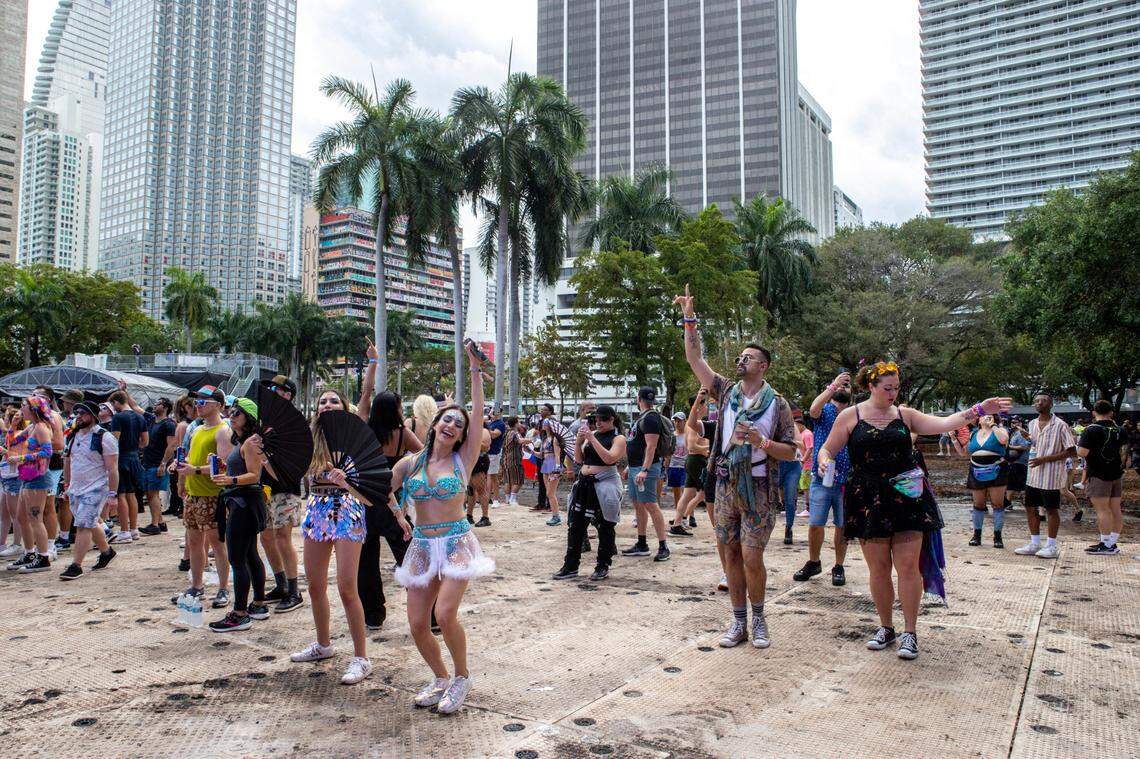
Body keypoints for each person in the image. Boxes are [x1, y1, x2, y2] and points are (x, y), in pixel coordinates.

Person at [818, 361, 1010, 660]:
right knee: (878, 569)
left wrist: (979, 410)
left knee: (908, 568)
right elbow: (828, 447)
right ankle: (885, 627)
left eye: (896, 388)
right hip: (867, 499)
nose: (893, 393)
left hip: (906, 497)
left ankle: (910, 632)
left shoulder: (906, 416)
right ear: (870, 386)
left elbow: (945, 422)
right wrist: (823, 458)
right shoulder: (849, 416)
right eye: (887, 388)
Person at [675, 286, 797, 648]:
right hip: (726, 483)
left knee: (751, 554)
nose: (741, 360)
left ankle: (759, 619)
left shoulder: (778, 404)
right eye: (740, 356)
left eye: (749, 357)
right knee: (728, 552)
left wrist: (762, 443)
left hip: (759, 487)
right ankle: (738, 622)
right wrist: (689, 318)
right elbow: (695, 360)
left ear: (763, 366)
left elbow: (791, 452)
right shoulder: (725, 391)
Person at [388, 343, 495, 714]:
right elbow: (380, 490)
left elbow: (478, 413)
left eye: (459, 424)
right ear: (434, 424)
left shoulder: (464, 460)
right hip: (420, 544)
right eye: (447, 419)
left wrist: (475, 371)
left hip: (455, 541)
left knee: (444, 614)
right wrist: (399, 515)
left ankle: (462, 677)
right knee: (417, 623)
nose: (452, 425)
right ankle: (440, 677)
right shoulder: (410, 464)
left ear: (464, 435)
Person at [289, 388, 385, 684]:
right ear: (317, 409)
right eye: (322, 401)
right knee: (315, 585)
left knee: (346, 587)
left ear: (344, 408)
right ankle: (323, 645)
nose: (327, 404)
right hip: (317, 510)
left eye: (334, 400)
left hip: (347, 510)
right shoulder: (307, 441)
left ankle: (361, 658)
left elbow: (366, 492)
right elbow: (288, 471)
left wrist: (371, 365)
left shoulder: (354, 439)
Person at [360, 384, 423, 630]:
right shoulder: (402, 433)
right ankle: (428, 613)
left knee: (366, 563)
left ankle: (373, 615)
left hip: (364, 502)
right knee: (409, 557)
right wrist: (404, 467)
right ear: (395, 410)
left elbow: (365, 396)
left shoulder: (365, 430)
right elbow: (423, 454)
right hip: (391, 503)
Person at [207, 398, 272, 631]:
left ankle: (240, 613)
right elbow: (244, 469)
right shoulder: (243, 441)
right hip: (242, 501)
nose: (231, 415)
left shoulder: (252, 442)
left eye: (238, 412)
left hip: (244, 502)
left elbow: (255, 475)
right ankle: (258, 604)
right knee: (250, 554)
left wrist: (230, 479)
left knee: (237, 558)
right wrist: (227, 470)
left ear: (249, 418)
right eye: (231, 411)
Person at [170, 386, 232, 609]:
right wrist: (181, 477)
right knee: (194, 542)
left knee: (217, 544)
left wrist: (194, 470)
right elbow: (188, 458)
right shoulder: (196, 430)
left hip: (212, 494)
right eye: (197, 401)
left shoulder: (223, 430)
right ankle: (197, 586)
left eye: (204, 401)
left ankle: (224, 588)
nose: (198, 405)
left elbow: (222, 467)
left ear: (217, 405)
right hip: (194, 493)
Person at [553, 405, 626, 581]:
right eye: (596, 420)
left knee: (605, 525)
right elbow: (578, 460)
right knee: (576, 526)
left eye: (602, 419)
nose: (598, 423)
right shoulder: (592, 436)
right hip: (585, 484)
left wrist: (592, 439)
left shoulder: (618, 438)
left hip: (605, 482)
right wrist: (579, 442)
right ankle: (570, 566)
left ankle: (603, 565)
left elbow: (610, 458)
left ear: (612, 420)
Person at [796, 371, 853, 586]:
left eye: (847, 385)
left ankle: (838, 566)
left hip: (846, 480)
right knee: (815, 523)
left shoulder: (855, 414)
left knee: (842, 525)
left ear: (852, 394)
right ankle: (814, 562)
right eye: (840, 384)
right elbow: (812, 409)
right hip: (821, 478)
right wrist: (833, 386)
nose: (842, 387)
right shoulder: (826, 410)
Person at [258, 376, 306, 614]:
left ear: (287, 394)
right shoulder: (266, 419)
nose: (270, 392)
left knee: (282, 538)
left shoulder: (292, 422)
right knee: (266, 537)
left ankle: (294, 590)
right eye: (269, 388)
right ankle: (281, 584)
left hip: (285, 487)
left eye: (275, 389)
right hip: (265, 487)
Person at [58, 401, 118, 579]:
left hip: (96, 488)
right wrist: (67, 486)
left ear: (92, 415)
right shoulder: (73, 436)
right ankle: (107, 552)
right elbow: (68, 462)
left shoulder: (104, 437)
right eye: (77, 413)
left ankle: (76, 565)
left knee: (83, 525)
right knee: (90, 523)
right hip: (76, 489)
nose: (78, 416)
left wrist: (113, 494)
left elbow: (112, 468)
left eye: (82, 413)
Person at [1013, 394, 1076, 560]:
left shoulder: (1061, 425)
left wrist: (1045, 459)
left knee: (1051, 509)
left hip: (1051, 475)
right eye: (1037, 401)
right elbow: (1036, 444)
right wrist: (1030, 439)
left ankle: (1051, 545)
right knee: (1030, 507)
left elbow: (1071, 451)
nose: (1039, 403)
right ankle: (1035, 543)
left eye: (1044, 400)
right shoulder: (1032, 423)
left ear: (1051, 404)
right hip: (1033, 474)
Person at [5, 395, 56, 573]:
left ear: (33, 409)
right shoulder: (32, 427)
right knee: (21, 518)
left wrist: (20, 457)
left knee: (35, 519)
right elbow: (12, 442)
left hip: (38, 478)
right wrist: (12, 425)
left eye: (24, 406)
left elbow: (47, 452)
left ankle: (43, 557)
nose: (21, 409)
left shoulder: (41, 427)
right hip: (27, 477)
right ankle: (29, 553)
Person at [620, 387, 671, 562]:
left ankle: (663, 546)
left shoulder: (650, 418)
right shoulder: (644, 417)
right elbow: (638, 445)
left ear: (638, 398)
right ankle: (642, 544)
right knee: (638, 505)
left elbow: (651, 447)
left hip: (645, 469)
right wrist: (630, 467)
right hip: (637, 468)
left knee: (650, 504)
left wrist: (644, 469)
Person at [1078, 400, 1127, 555]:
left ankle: (1105, 544)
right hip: (1116, 474)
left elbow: (1082, 453)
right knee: (1115, 509)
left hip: (1098, 474)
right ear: (1111, 412)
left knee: (1102, 510)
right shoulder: (1120, 430)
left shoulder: (1091, 430)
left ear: (1094, 413)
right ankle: (1112, 542)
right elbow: (1125, 452)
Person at [107, 390, 148, 544]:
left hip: (121, 458)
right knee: (132, 494)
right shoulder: (140, 417)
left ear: (117, 402)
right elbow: (145, 442)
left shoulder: (118, 417)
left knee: (122, 494)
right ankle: (134, 529)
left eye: (113, 404)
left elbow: (114, 441)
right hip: (135, 458)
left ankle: (124, 531)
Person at [963, 414, 1010, 548]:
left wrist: (994, 426)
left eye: (990, 416)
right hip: (976, 470)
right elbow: (964, 452)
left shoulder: (1000, 430)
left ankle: (998, 536)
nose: (986, 418)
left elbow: (1003, 440)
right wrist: (955, 439)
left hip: (997, 470)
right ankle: (976, 536)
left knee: (998, 504)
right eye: (983, 415)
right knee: (978, 504)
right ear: (978, 419)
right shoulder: (973, 434)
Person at [139, 398, 176, 536]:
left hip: (158, 463)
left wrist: (163, 463)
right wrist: (124, 391)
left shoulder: (169, 424)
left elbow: (171, 445)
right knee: (150, 494)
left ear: (166, 408)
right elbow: (136, 408)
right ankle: (160, 523)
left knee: (153, 494)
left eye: (159, 403)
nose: (155, 405)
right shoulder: (151, 420)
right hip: (148, 462)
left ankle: (154, 525)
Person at [0, 407, 27, 559]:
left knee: (15, 513)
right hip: (6, 476)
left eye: (6, 418)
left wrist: (4, 452)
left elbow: (20, 456)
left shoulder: (20, 435)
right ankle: (2, 544)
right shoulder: (11, 434)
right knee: (4, 512)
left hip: (14, 476)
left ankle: (17, 544)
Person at [777, 409, 805, 546]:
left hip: (793, 465)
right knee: (767, 497)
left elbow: (802, 445)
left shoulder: (793, 426)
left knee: (790, 497)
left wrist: (789, 441)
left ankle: (789, 528)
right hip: (776, 464)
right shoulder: (772, 423)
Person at [467, 423, 493, 526]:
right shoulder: (471, 431)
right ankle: (469, 515)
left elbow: (485, 447)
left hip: (479, 460)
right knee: (470, 490)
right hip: (471, 461)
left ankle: (485, 517)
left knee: (481, 489)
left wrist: (468, 440)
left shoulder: (484, 431)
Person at [538, 419, 564, 526]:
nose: (544, 424)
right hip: (546, 465)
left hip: (553, 465)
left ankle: (556, 516)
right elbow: (541, 455)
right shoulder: (544, 439)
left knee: (550, 493)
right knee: (549, 493)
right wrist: (530, 451)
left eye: (547, 423)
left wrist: (557, 468)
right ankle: (555, 515)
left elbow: (557, 454)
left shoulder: (554, 439)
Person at [666, 412, 688, 518]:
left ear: (685, 421)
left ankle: (686, 515)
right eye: (675, 421)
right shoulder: (672, 436)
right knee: (676, 493)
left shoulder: (688, 435)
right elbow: (668, 453)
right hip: (673, 465)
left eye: (679, 421)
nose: (677, 423)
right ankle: (678, 515)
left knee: (686, 492)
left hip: (685, 466)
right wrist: (667, 467)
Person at [499, 416, 525, 505]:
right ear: (516, 424)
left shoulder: (506, 433)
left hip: (505, 459)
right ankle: (512, 499)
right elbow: (520, 441)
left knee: (507, 479)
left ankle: (507, 499)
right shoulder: (515, 433)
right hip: (515, 459)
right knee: (518, 479)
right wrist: (529, 440)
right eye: (519, 422)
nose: (520, 424)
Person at [1005, 420, 1031, 509]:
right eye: (1012, 422)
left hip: (1020, 462)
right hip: (1014, 462)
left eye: (1016, 422)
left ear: (1020, 423)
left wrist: (1009, 447)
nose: (1013, 424)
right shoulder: (1013, 433)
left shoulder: (1021, 433)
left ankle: (1027, 502)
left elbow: (1024, 446)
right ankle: (1008, 502)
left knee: (1022, 483)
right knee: (1011, 483)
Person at [486, 407, 507, 507]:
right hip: (486, 452)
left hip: (494, 453)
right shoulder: (490, 423)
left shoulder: (500, 424)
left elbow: (494, 435)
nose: (492, 411)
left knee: (493, 476)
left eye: (495, 410)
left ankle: (496, 500)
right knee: (487, 476)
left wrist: (484, 429)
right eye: (492, 409)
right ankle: (487, 498)